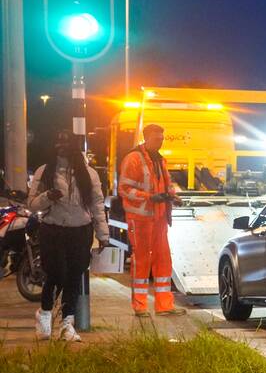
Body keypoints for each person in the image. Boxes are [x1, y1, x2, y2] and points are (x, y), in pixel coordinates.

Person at [28, 130, 110, 341]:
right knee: (55, 274)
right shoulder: (44, 171)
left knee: (74, 276)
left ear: (74, 146)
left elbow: (97, 205)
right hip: (53, 229)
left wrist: (103, 234)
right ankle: (45, 313)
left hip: (80, 230)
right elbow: (32, 205)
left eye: (65, 143)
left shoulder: (88, 173)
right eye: (57, 142)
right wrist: (47, 196)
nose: (61, 146)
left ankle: (67, 324)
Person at [118, 124, 185, 317]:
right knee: (141, 260)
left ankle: (164, 306)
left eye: (162, 138)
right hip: (140, 219)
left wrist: (173, 197)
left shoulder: (159, 160)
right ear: (146, 138)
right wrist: (148, 197)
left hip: (159, 218)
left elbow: (166, 185)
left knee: (163, 260)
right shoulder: (134, 159)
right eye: (157, 138)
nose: (160, 141)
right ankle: (140, 306)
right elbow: (124, 188)